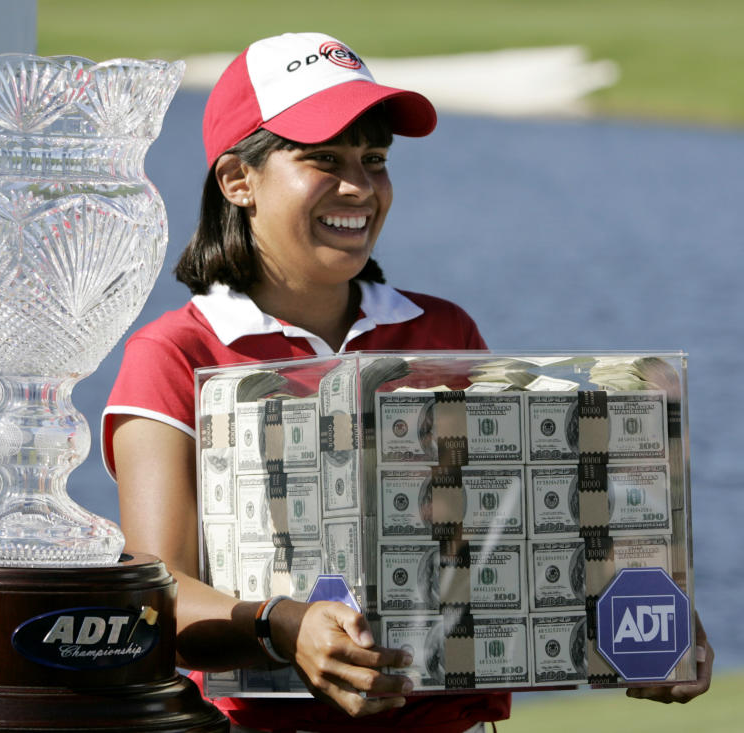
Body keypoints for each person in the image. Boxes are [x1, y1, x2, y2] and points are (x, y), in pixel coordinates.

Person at [103, 31, 713, 732]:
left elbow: (527, 530)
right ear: (238, 180)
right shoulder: (176, 352)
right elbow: (156, 593)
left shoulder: (444, 332)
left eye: (373, 160)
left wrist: (647, 612)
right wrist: (281, 624)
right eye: (323, 160)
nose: (359, 188)